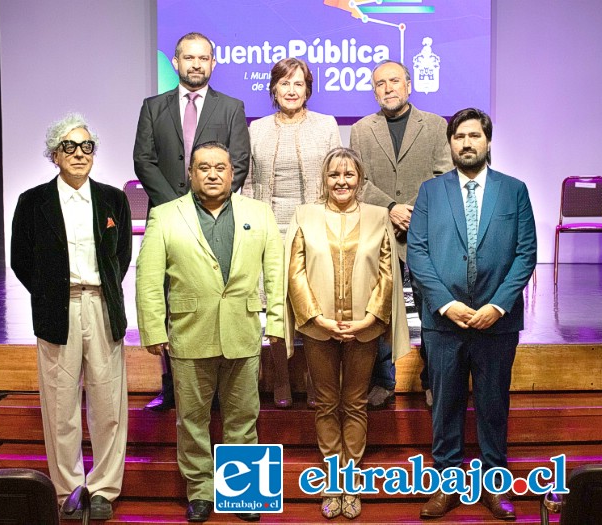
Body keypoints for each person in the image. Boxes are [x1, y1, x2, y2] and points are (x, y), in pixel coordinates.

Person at [136, 142, 283, 523]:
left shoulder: (259, 213)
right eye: (203, 167)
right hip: (189, 334)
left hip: (243, 332)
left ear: (233, 173)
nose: (213, 173)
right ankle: (200, 492)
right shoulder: (166, 216)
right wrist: (152, 328)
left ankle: (245, 492)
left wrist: (279, 322)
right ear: (191, 173)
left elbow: (275, 274)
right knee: (192, 420)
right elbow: (149, 278)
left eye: (220, 167)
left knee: (243, 418)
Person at [407, 108, 537, 520]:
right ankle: (447, 485)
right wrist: (447, 303)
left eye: (474, 136)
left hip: (496, 324)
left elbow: (525, 253)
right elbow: (418, 252)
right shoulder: (430, 191)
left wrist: (497, 305)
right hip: (444, 322)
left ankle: (495, 487)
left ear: (488, 141)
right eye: (459, 136)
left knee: (493, 406)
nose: (466, 143)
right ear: (450, 143)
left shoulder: (514, 190)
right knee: (445, 406)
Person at [10, 113, 131, 521]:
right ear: (54, 155)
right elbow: (21, 260)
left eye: (87, 146)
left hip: (101, 306)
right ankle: (70, 489)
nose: (79, 154)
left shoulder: (114, 198)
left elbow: (121, 257)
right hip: (57, 309)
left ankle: (103, 489)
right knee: (60, 404)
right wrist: (49, 294)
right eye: (69, 147)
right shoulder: (32, 202)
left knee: (108, 402)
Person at [285, 147, 410, 520]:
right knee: (325, 402)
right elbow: (295, 271)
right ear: (324, 180)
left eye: (349, 175)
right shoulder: (305, 215)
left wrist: (370, 319)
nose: (341, 181)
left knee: (355, 403)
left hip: (364, 329)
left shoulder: (376, 217)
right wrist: (316, 317)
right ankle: (331, 480)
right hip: (318, 327)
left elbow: (388, 273)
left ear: (360, 179)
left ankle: (350, 479)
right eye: (334, 175)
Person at [134, 31, 250, 412]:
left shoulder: (231, 107)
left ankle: (217, 387)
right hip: (168, 220)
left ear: (213, 63)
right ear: (176, 62)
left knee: (213, 298)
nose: (196, 64)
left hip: (217, 219)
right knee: (172, 302)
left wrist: (205, 205)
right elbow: (144, 160)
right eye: (189, 58)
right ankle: (172, 385)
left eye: (203, 58)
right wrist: (178, 207)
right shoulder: (153, 106)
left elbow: (240, 162)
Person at [350, 60, 453, 409]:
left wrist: (410, 209)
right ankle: (382, 379)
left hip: (426, 231)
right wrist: (391, 207)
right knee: (378, 309)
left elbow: (445, 175)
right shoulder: (362, 130)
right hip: (380, 230)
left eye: (395, 81)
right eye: (380, 83)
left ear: (409, 85)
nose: (388, 88)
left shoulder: (437, 126)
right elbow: (358, 180)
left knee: (432, 312)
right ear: (374, 89)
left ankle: (432, 379)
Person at [248, 57, 341, 408]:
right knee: (275, 305)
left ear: (308, 89)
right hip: (268, 227)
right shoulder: (256, 129)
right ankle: (282, 382)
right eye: (284, 83)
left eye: (298, 83)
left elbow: (337, 174)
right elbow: (245, 183)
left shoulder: (326, 125)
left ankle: (316, 382)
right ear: (273, 88)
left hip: (314, 227)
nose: (291, 90)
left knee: (312, 306)